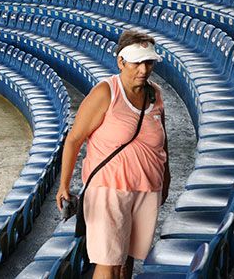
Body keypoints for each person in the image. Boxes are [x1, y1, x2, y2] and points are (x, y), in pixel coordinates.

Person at [56, 30, 170, 279]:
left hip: (146, 187)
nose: (143, 69)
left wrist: (166, 179)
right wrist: (64, 184)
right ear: (121, 61)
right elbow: (74, 139)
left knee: (126, 259)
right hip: (108, 188)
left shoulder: (155, 93)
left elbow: (163, 140)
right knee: (108, 260)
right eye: (137, 63)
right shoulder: (106, 92)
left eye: (148, 62)